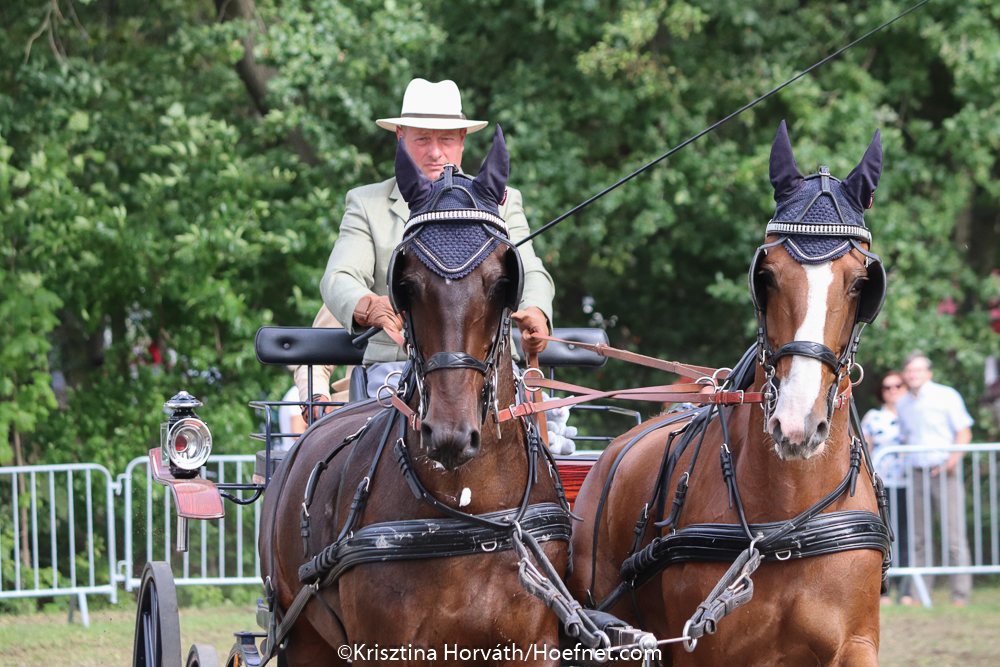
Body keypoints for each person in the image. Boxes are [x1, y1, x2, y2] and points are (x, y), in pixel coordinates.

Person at [320, 78, 554, 397]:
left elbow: (531, 269)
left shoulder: (503, 201)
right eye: (422, 139)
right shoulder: (367, 203)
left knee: (546, 425)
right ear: (400, 136)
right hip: (396, 370)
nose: (435, 152)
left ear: (462, 139)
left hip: (488, 368)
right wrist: (367, 305)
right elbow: (338, 277)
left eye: (446, 139)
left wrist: (536, 311)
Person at [896, 351, 974, 607]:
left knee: (954, 535)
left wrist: (951, 461)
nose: (913, 375)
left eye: (918, 370)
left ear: (928, 373)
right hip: (917, 473)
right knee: (919, 538)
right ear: (905, 374)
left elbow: (964, 432)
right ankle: (919, 594)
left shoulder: (946, 395)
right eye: (909, 370)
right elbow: (906, 438)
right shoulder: (903, 404)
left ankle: (960, 596)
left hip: (945, 472)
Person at [861, 370, 912, 605]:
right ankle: (886, 590)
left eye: (897, 386)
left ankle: (908, 591)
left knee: (909, 536)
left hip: (910, 483)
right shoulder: (874, 417)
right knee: (885, 536)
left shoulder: (913, 414)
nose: (892, 391)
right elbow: (865, 449)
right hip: (883, 486)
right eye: (887, 387)